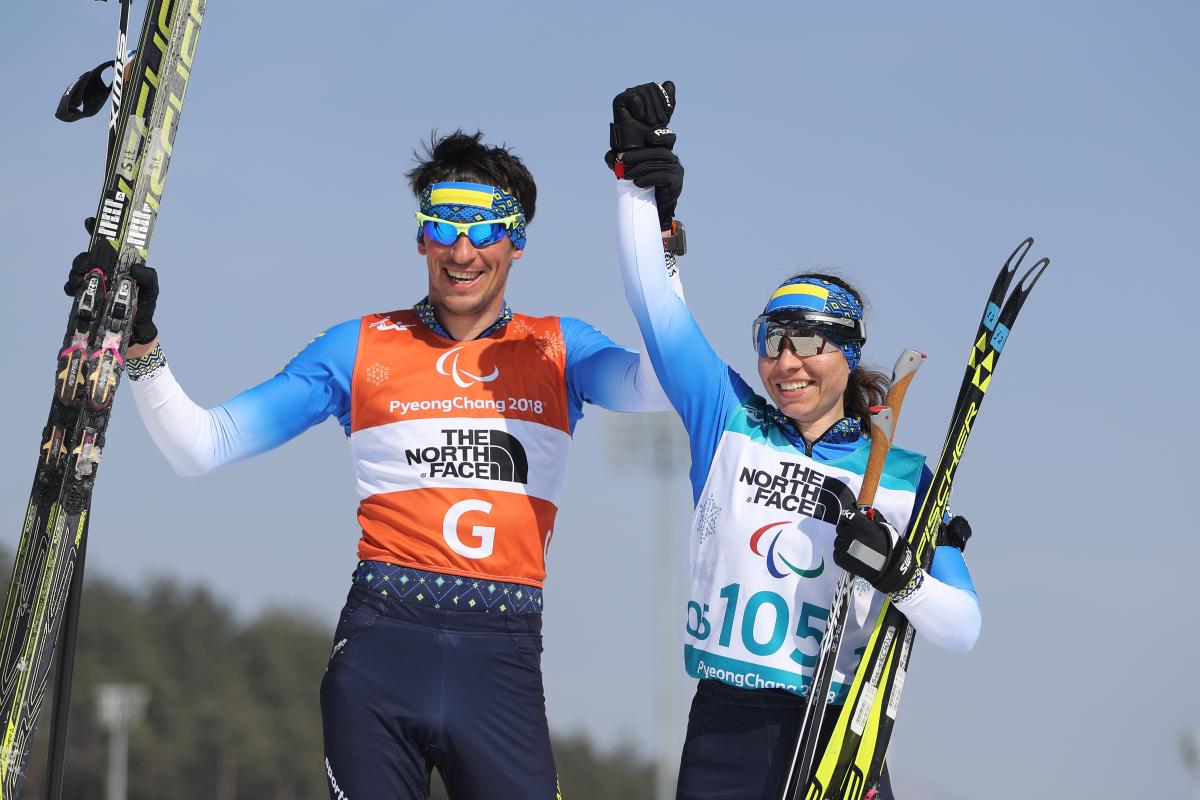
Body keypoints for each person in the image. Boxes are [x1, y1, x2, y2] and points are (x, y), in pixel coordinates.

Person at [68, 130, 681, 799]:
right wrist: (142, 344)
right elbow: (202, 446)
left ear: (517, 241)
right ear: (421, 238)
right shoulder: (358, 347)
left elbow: (660, 381)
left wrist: (655, 239)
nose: (462, 251)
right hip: (383, 648)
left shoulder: (557, 348)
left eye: (484, 230)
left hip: (500, 659)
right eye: (443, 227)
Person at [606, 83, 982, 799]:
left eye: (807, 341)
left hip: (838, 732)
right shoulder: (728, 421)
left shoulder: (899, 473)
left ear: (846, 352)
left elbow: (963, 626)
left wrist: (903, 578)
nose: (785, 360)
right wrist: (634, 175)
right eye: (771, 341)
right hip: (725, 728)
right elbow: (652, 303)